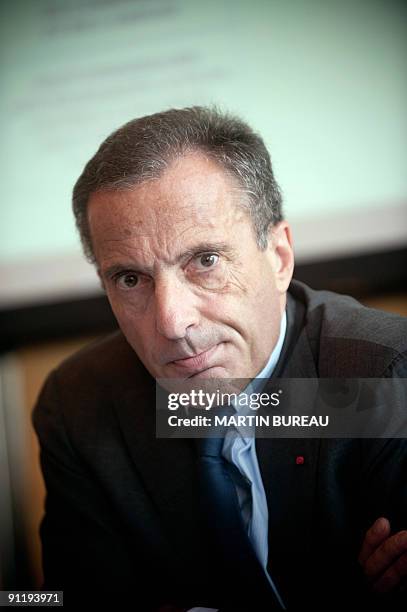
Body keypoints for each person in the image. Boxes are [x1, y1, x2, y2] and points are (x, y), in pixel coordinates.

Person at [32, 106, 407, 610]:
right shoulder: (78, 404)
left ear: (278, 257)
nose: (172, 323)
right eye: (130, 279)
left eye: (205, 261)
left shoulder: (384, 375)